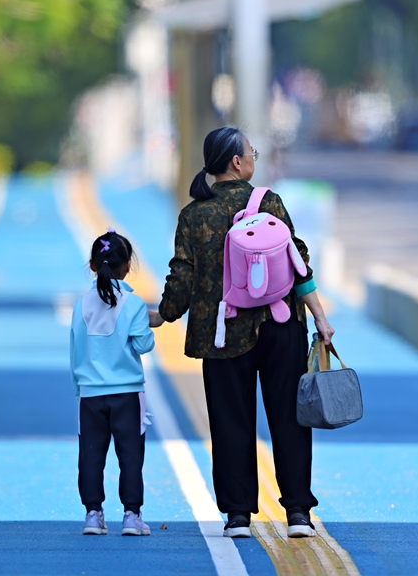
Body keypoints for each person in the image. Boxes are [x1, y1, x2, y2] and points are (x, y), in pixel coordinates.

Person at [148, 126, 335, 539]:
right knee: (289, 418)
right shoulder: (267, 202)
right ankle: (299, 513)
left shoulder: (194, 214)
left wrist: (163, 314)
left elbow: (182, 275)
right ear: (237, 162)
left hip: (222, 334)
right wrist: (320, 318)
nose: (254, 156)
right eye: (251, 151)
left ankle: (237, 516)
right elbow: (297, 261)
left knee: (231, 422)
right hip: (280, 324)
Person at [70, 231, 154, 536]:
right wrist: (147, 327)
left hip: (90, 394)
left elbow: (75, 348)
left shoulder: (81, 305)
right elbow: (143, 345)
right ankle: (131, 515)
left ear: (92, 265)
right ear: (128, 266)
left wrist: (79, 388)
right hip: (128, 393)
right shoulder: (133, 304)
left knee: (91, 454)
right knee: (130, 455)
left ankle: (93, 514)